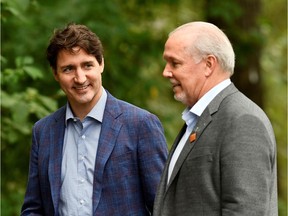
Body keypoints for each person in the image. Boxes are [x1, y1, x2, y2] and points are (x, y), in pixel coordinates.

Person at [21, 23, 168, 216]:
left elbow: (163, 206)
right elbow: (34, 208)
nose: (80, 78)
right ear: (55, 74)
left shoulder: (140, 124)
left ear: (101, 64)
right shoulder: (43, 131)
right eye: (68, 69)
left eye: (87, 65)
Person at [153, 21, 278, 216]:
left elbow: (246, 211)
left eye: (175, 63)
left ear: (208, 65)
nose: (166, 72)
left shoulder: (242, 120)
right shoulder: (198, 120)